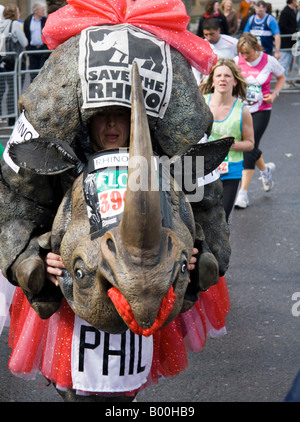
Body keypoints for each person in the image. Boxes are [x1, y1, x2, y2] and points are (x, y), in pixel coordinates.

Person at [6, 106, 230, 401]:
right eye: (102, 115)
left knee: (126, 390)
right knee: (74, 386)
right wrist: (38, 253)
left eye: (122, 116)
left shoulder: (160, 171)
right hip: (76, 291)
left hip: (143, 289)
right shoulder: (66, 165)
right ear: (88, 123)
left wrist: (190, 254)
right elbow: (28, 213)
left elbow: (187, 220)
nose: (111, 123)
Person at [234, 33, 286, 209]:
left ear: (256, 48)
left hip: (262, 110)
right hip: (242, 111)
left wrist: (274, 94)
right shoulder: (237, 61)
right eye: (241, 53)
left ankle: (243, 194)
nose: (244, 57)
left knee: (248, 149)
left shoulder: (268, 60)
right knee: (251, 147)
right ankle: (266, 170)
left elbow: (282, 78)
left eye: (247, 53)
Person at [200, 59, 254, 224]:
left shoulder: (242, 111)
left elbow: (250, 143)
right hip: (202, 169)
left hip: (229, 171)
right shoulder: (201, 102)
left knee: (222, 221)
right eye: (219, 75)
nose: (223, 79)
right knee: (201, 220)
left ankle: (222, 250)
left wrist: (231, 144)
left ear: (235, 81)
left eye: (227, 76)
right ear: (213, 80)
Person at [0, 4, 28, 125]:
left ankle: (10, 116)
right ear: (14, 13)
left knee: (9, 88)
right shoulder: (15, 24)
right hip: (16, 61)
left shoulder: (1, 25)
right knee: (16, 89)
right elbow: (24, 42)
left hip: (5, 61)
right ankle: (15, 117)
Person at [192, 19, 238, 85]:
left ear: (218, 30)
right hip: (208, 83)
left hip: (227, 82)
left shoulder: (232, 43)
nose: (209, 38)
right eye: (206, 35)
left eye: (211, 34)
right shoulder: (201, 46)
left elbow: (241, 60)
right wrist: (198, 81)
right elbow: (195, 66)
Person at [23, 2, 48, 80]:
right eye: (42, 10)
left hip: (43, 50)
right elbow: (26, 34)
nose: (44, 12)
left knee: (42, 72)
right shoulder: (28, 20)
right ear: (36, 11)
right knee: (33, 73)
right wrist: (28, 48)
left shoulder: (45, 20)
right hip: (32, 50)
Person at [278, 0, 298, 83]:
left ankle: (286, 80)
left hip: (290, 41)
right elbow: (282, 26)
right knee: (284, 62)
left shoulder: (291, 10)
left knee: (288, 62)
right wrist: (293, 31)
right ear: (293, 0)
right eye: (296, 0)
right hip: (286, 41)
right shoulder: (286, 11)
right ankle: (283, 81)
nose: (297, 1)